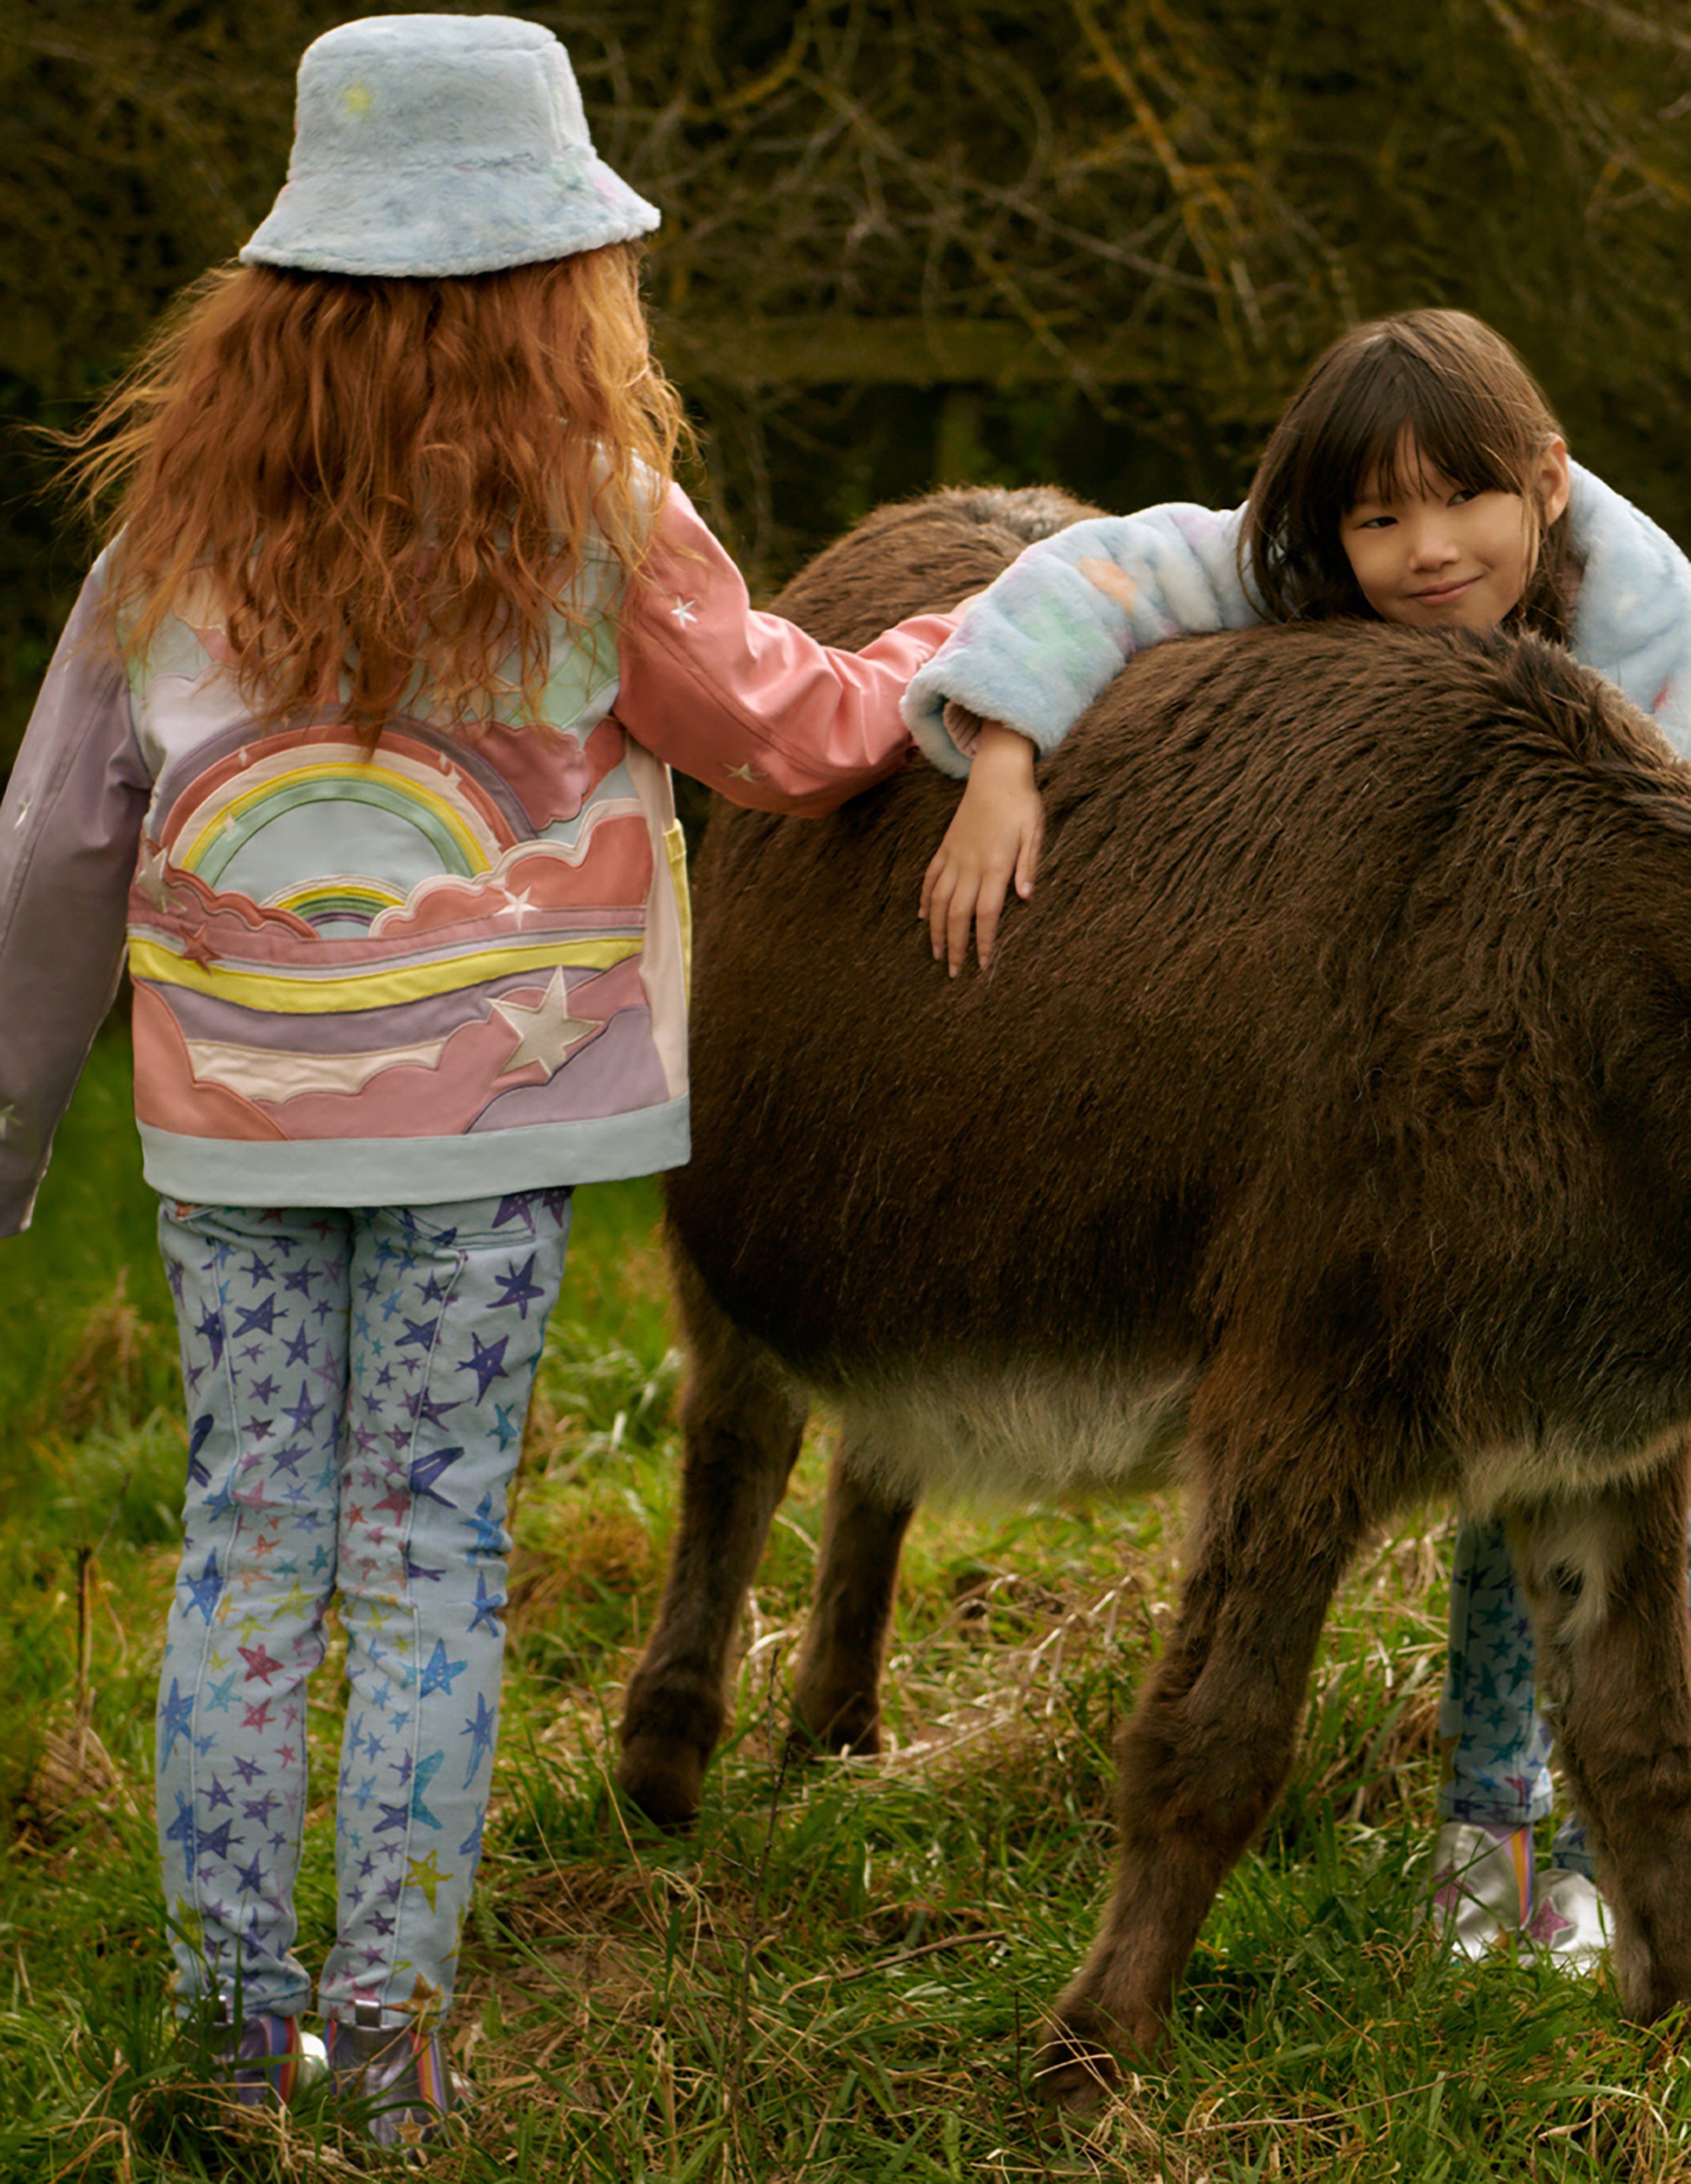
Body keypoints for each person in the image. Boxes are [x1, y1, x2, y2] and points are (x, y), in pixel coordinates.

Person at [0, 15, 1038, 2152]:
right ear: (559, 278)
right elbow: (796, 736)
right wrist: (967, 642)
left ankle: (220, 2028)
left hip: (234, 1126)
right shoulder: (599, 522)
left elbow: (55, 847)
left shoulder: (173, 534)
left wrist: (12, 1128)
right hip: (493, 1126)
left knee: (244, 1545)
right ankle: (386, 2036)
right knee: (432, 1552)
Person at [900, 306, 1691, 1970]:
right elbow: (1096, 576)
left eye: (1458, 504)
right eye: (1372, 518)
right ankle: (1496, 1849)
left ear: (1545, 485)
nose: (1420, 552)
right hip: (1409, 1097)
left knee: (1567, 1481)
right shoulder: (1278, 575)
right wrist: (999, 745)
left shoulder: (1653, 619)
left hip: (1602, 1133)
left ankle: (1507, 1831)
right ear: (1316, 531)